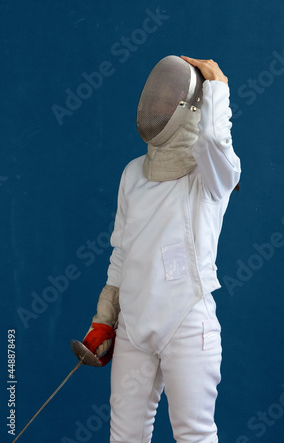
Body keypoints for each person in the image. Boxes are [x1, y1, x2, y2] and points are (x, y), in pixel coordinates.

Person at [83, 55, 241, 442]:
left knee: (194, 434)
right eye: (155, 100)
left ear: (190, 108)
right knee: (125, 436)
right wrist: (105, 316)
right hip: (134, 326)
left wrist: (217, 85)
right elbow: (122, 251)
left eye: (169, 101)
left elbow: (212, 141)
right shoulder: (133, 173)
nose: (157, 107)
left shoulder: (213, 174)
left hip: (187, 322)